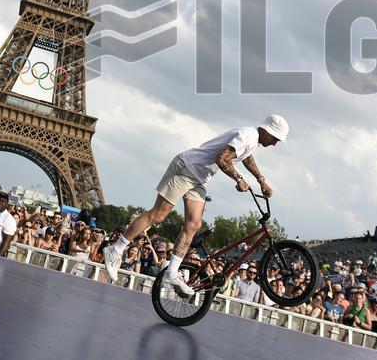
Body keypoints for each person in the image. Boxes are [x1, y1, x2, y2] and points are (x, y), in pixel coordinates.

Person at [102, 114, 288, 295]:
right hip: (186, 168)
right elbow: (222, 159)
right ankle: (115, 249)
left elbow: (247, 157)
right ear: (266, 130)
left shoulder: (253, 140)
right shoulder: (248, 135)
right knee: (158, 215)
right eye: (275, 138)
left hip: (199, 177)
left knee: (193, 224)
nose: (275, 143)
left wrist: (261, 180)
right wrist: (238, 179)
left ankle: (171, 272)